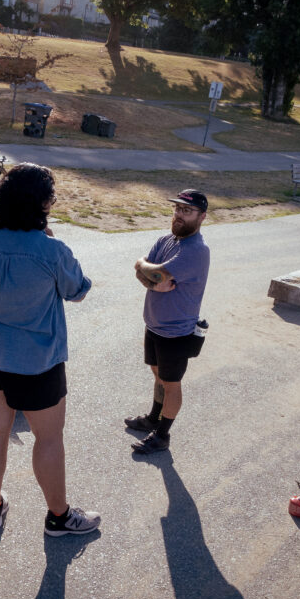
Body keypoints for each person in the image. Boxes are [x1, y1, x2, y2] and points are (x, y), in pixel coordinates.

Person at [0, 163, 100, 536]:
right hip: (37, 360)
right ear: (42, 203)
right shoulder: (52, 249)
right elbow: (78, 291)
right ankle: (58, 516)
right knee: (48, 437)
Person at [123, 190, 211, 454]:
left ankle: (162, 435)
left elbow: (154, 272)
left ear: (202, 217)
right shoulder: (165, 240)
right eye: (177, 209)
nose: (179, 215)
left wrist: (146, 269)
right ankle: (153, 418)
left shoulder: (197, 250)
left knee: (171, 383)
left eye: (187, 211)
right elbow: (145, 274)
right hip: (154, 325)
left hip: (176, 332)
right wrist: (148, 274)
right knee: (157, 374)